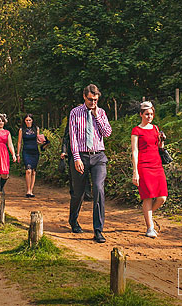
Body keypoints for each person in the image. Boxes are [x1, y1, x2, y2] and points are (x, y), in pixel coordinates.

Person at [68, 84, 112, 243]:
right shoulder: (75, 113)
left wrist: (96, 115)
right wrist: (76, 158)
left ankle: (98, 230)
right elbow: (72, 137)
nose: (93, 102)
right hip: (81, 156)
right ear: (84, 97)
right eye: (90, 100)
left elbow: (107, 133)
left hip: (98, 156)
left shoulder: (101, 112)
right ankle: (73, 220)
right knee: (78, 193)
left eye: (95, 100)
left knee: (99, 189)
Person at [131, 101, 168, 238]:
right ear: (141, 114)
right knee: (147, 197)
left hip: (157, 164)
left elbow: (159, 147)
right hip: (144, 166)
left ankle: (148, 214)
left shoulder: (156, 128)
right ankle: (150, 227)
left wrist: (162, 141)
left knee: (162, 197)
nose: (149, 117)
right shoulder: (136, 130)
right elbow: (134, 151)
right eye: (147, 114)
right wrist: (135, 171)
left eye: (151, 114)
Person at [17, 114, 46, 198]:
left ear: (32, 120)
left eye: (30, 120)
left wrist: (43, 142)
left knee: (33, 171)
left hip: (35, 151)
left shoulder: (36, 129)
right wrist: (18, 154)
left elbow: (37, 140)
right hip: (26, 151)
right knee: (28, 170)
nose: (28, 121)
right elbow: (19, 142)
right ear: (24, 121)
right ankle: (28, 190)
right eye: (27, 120)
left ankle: (31, 190)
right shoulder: (22, 130)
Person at [60, 123, 92, 201]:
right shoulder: (71, 122)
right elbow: (66, 138)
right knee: (73, 174)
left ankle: (87, 194)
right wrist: (63, 151)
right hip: (72, 153)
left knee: (85, 172)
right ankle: (74, 193)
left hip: (84, 151)